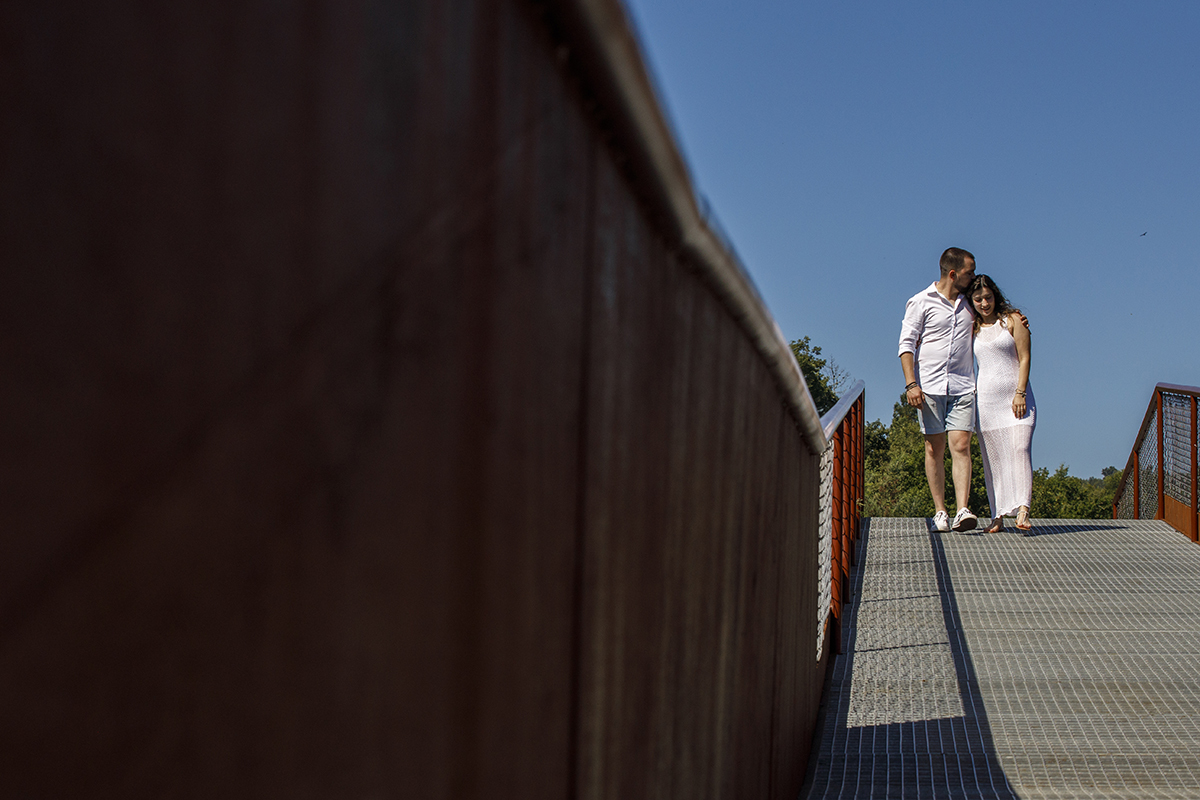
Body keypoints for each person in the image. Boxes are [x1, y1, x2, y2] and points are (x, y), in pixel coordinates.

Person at [898, 247, 979, 533]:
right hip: (929, 387)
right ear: (953, 273)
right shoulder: (920, 302)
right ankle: (940, 511)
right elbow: (906, 345)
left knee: (961, 445)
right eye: (969, 272)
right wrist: (911, 384)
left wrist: (1017, 319)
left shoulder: (970, 303)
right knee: (934, 447)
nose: (974, 276)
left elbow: (995, 312)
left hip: (963, 385)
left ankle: (962, 510)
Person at [968, 274, 1035, 532]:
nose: (984, 303)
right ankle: (997, 516)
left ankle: (1023, 510)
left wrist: (1020, 392)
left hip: (1018, 400)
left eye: (988, 297)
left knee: (1020, 449)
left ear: (996, 296)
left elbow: (1025, 357)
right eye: (978, 299)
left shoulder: (1013, 320)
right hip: (986, 403)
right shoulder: (971, 327)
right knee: (993, 459)